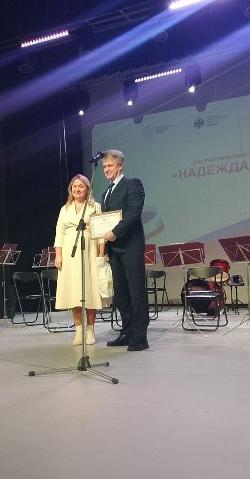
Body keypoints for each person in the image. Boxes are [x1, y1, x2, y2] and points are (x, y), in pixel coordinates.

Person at [101, 150, 150, 351]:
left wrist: (115, 231)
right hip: (114, 249)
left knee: (135, 291)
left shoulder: (133, 184)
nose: (106, 170)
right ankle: (127, 332)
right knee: (121, 293)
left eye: (110, 166)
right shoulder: (106, 192)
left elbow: (133, 213)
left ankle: (140, 337)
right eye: (104, 167)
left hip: (131, 246)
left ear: (120, 166)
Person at [54, 174, 105, 345]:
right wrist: (58, 255)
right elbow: (59, 234)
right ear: (71, 189)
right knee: (73, 292)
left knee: (89, 291)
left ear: (87, 189)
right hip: (70, 252)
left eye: (81, 186)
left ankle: (90, 331)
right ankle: (78, 332)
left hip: (90, 250)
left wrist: (101, 254)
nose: (77, 189)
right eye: (74, 186)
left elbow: (101, 233)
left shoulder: (95, 206)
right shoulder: (65, 208)